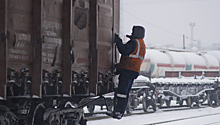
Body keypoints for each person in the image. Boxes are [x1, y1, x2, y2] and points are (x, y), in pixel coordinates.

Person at [106, 25, 146, 119]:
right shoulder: (141, 43)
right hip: (133, 71)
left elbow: (124, 50)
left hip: (128, 70)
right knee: (125, 92)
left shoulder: (134, 42)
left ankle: (118, 112)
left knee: (122, 92)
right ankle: (119, 112)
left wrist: (118, 41)